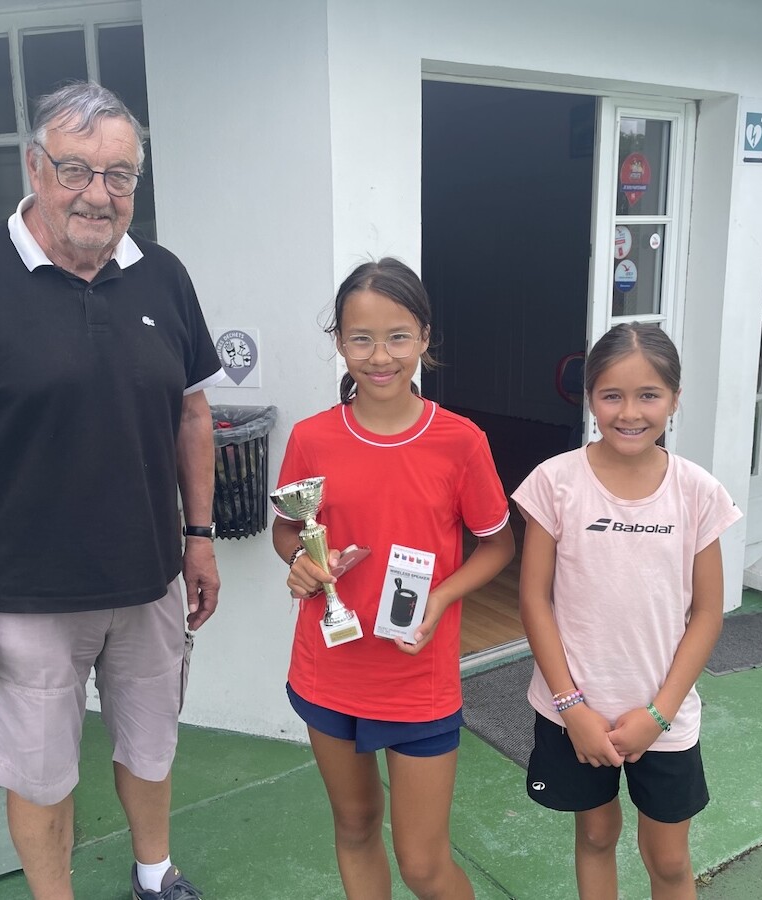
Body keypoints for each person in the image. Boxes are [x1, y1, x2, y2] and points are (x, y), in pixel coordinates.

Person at [0, 82, 224, 900]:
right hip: (26, 597)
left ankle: (154, 874)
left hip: (149, 581)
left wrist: (198, 537)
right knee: (40, 775)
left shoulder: (162, 274)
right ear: (34, 167)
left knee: (150, 745)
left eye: (120, 175)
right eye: (76, 169)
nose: (97, 194)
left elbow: (192, 413)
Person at [272, 258, 515, 900]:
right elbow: (288, 530)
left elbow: (497, 545)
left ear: (425, 338)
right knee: (355, 828)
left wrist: (441, 597)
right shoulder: (312, 438)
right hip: (329, 670)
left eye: (398, 337)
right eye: (361, 339)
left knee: (423, 864)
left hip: (417, 677)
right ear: (339, 342)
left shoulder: (460, 442)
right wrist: (302, 564)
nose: (380, 357)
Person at [513, 323, 742, 900]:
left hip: (664, 716)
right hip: (575, 711)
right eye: (612, 395)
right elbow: (534, 599)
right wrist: (572, 707)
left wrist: (659, 714)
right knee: (595, 834)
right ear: (589, 397)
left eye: (649, 395)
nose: (630, 412)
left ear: (674, 399)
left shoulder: (697, 492)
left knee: (668, 858)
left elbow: (707, 613)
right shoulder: (555, 482)